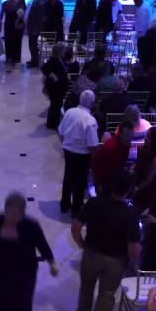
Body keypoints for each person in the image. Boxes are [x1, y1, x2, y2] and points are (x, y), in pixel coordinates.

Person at [72, 171, 141, 311]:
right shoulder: (131, 215)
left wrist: (81, 243)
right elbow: (133, 247)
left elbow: (76, 225)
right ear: (129, 190)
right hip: (115, 261)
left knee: (86, 286)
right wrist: (135, 264)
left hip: (90, 253)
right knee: (107, 293)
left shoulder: (94, 203)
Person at [58, 89, 100, 217]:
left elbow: (61, 131)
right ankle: (76, 208)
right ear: (92, 103)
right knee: (80, 181)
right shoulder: (90, 120)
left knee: (68, 177)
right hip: (82, 155)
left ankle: (64, 204)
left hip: (68, 151)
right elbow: (92, 145)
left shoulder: (69, 112)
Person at [92, 114, 137, 199]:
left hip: (113, 181)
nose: (129, 139)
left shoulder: (125, 144)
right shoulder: (110, 148)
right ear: (119, 134)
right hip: (104, 183)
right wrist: (100, 185)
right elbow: (95, 164)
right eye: (127, 136)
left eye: (131, 137)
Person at [41, 43, 73, 130]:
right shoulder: (53, 60)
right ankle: (51, 124)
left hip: (60, 87)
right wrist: (53, 76)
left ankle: (54, 122)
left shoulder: (60, 59)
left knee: (57, 105)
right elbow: (44, 68)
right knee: (55, 105)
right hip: (56, 88)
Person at [1, 0, 25, 68]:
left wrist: (20, 23)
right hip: (8, 25)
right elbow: (1, 14)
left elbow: (22, 15)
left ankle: (16, 59)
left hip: (17, 25)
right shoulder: (5, 4)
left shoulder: (19, 3)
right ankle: (9, 57)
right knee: (8, 41)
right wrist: (0, 24)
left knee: (17, 41)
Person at [25, 0, 47, 68]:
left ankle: (35, 61)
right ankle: (33, 59)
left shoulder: (40, 4)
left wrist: (36, 29)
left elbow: (39, 18)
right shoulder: (35, 2)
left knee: (33, 45)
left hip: (35, 28)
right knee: (31, 44)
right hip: (31, 26)